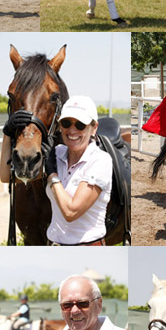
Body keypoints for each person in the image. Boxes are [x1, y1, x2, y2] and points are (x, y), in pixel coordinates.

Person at [43, 96, 112, 246]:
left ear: (94, 128)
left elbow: (71, 212)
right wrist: (9, 134)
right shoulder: (55, 154)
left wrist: (53, 176)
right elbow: (5, 176)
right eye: (66, 123)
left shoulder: (101, 160)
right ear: (60, 126)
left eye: (80, 125)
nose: (72, 130)